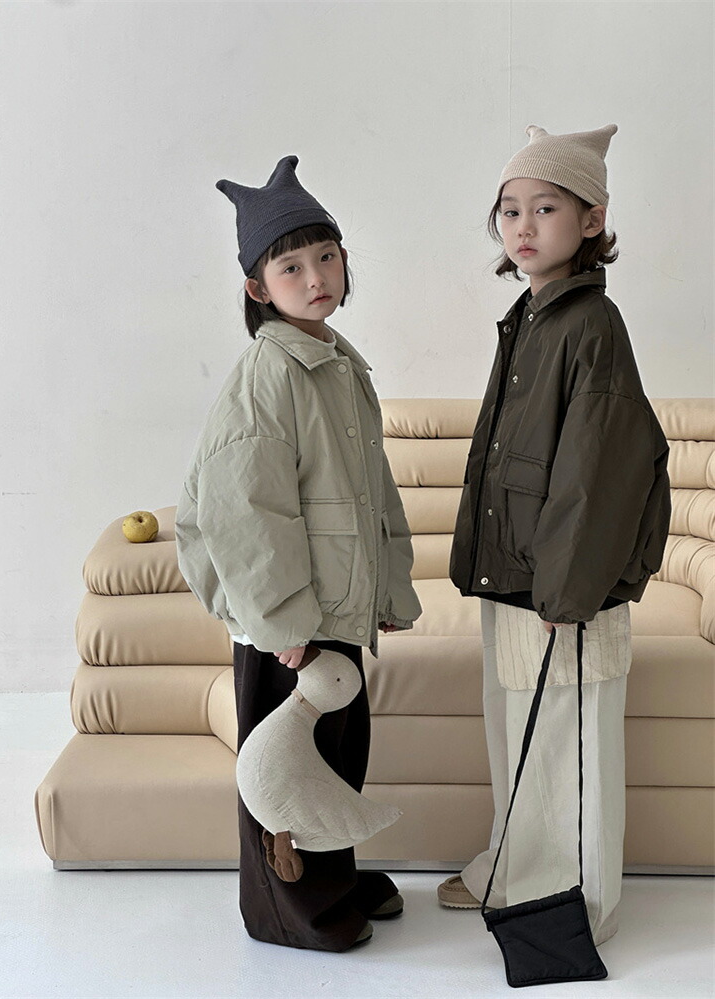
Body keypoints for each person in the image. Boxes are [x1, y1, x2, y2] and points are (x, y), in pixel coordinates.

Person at [175, 155, 422, 952]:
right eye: (291, 266)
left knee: (335, 753)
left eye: (326, 256)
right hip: (285, 620)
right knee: (281, 768)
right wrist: (280, 621)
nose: (315, 277)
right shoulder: (269, 375)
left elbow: (370, 493)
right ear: (258, 287)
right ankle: (288, 907)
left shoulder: (338, 366)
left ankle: (332, 874)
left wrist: (389, 590)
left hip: (333, 608)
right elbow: (245, 510)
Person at [442, 125, 670, 945]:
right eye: (510, 210)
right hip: (520, 574)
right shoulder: (530, 318)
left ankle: (574, 906)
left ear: (592, 219)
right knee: (521, 734)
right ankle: (515, 871)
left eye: (546, 208)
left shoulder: (590, 324)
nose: (523, 225)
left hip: (564, 588)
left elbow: (598, 472)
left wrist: (567, 592)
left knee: (570, 743)